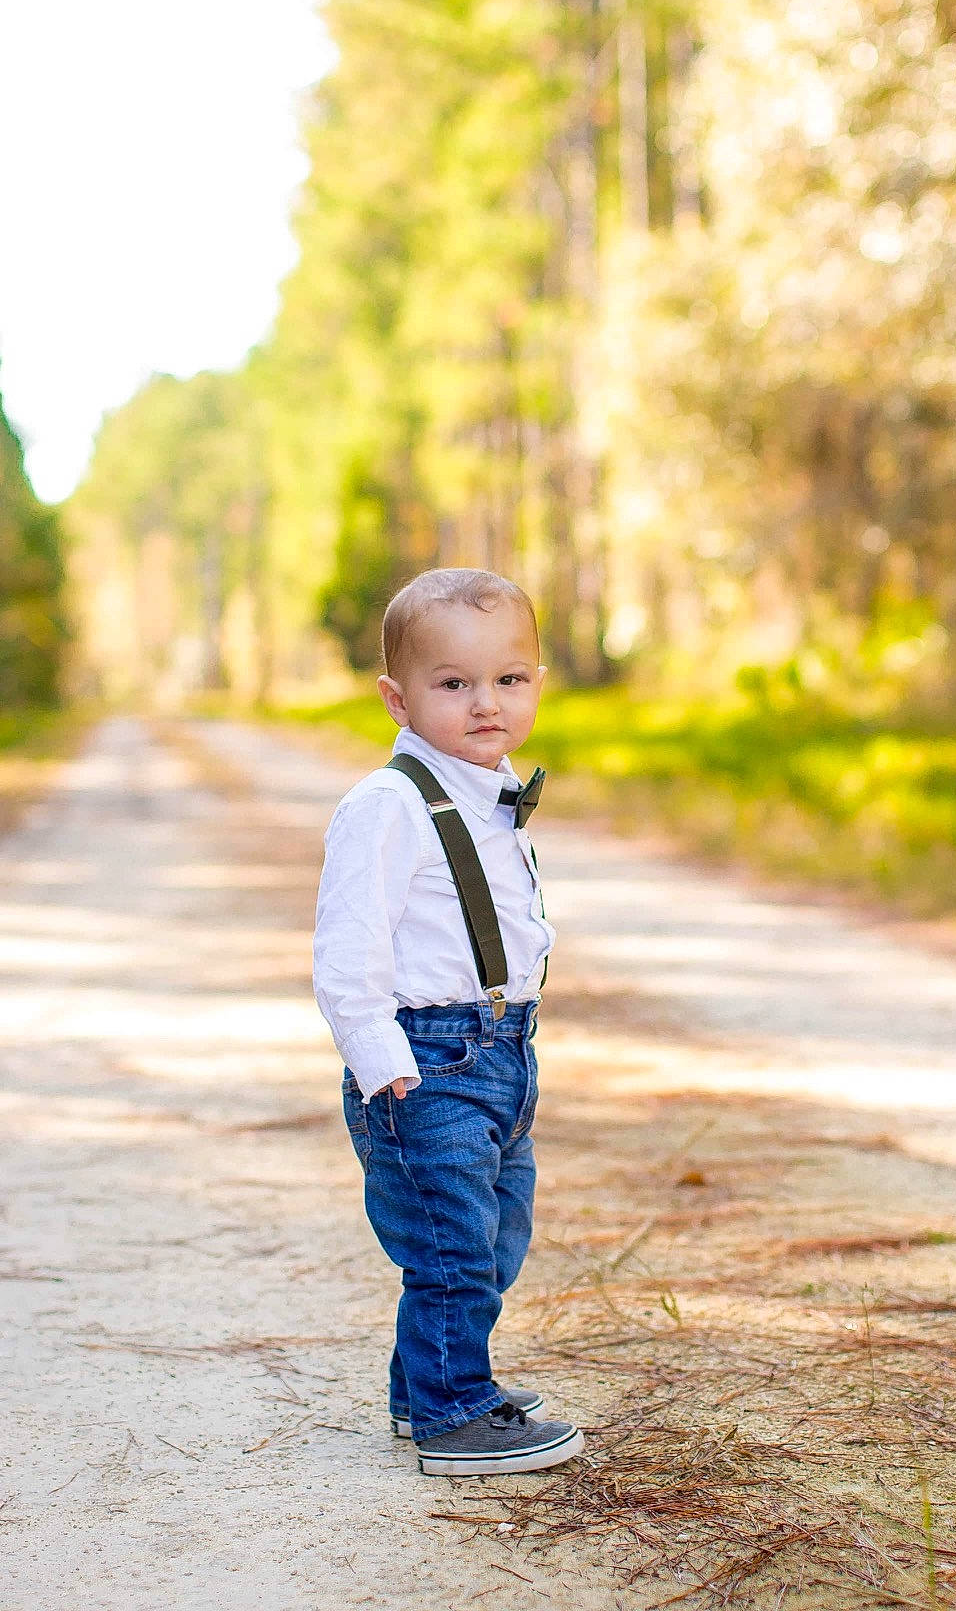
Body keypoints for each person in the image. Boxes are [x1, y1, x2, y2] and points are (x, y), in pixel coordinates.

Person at [312, 567, 584, 1477]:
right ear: (397, 698)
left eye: (509, 679)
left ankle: (423, 1383)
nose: (485, 704)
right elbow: (348, 948)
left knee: (496, 1236)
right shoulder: (386, 806)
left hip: (503, 1052)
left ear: (537, 682)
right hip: (426, 1062)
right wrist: (380, 1058)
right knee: (451, 1245)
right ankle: (453, 1413)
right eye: (453, 683)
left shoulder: (489, 790)